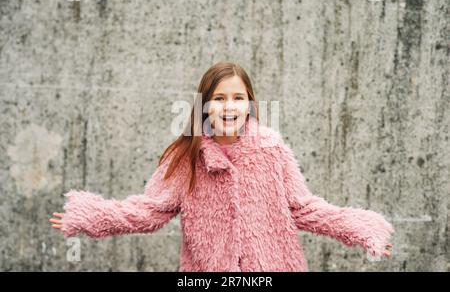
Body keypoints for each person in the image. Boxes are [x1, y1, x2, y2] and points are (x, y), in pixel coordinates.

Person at [50, 61, 393, 271]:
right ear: (205, 105)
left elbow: (305, 209)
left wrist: (363, 228)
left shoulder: (271, 150)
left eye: (238, 98)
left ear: (249, 105)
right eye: (219, 98)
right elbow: (149, 211)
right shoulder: (187, 158)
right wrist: (90, 215)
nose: (229, 106)